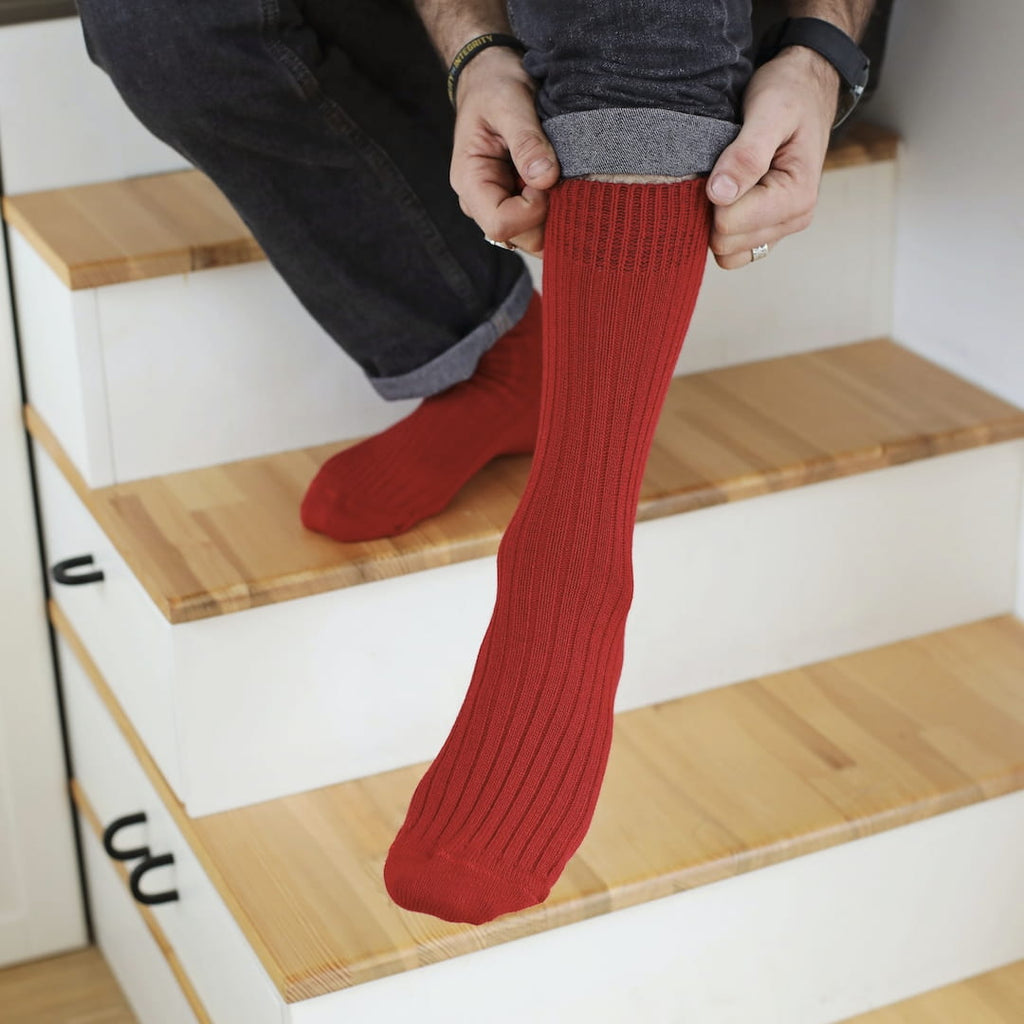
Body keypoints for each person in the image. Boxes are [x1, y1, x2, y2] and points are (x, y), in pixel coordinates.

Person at [77, 0, 874, 924]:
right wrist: (475, 47)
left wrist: (822, 49)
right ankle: (500, 357)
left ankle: (570, 570)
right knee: (161, 23)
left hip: (747, 35)